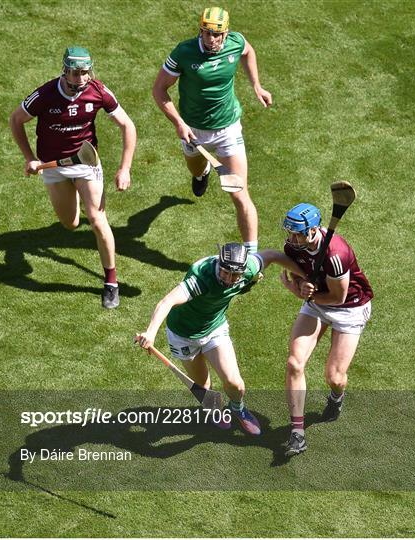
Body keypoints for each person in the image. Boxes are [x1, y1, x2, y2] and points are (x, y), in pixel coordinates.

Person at [10, 46, 137, 309]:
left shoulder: (98, 91)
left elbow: (128, 125)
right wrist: (29, 157)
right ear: (64, 71)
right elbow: (16, 119)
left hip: (86, 162)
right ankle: (73, 200)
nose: (81, 78)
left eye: (85, 72)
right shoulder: (45, 95)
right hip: (53, 166)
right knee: (70, 223)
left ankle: (111, 282)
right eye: (76, 73)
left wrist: (124, 168)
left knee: (97, 219)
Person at [136, 242, 305, 435]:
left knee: (235, 383)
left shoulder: (248, 267)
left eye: (235, 275)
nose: (230, 279)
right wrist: (150, 332)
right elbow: (167, 302)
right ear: (219, 263)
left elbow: (274, 255)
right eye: (225, 273)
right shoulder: (201, 277)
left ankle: (238, 408)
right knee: (204, 387)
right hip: (183, 336)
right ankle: (213, 408)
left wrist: (305, 277)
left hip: (214, 329)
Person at [152, 7, 272, 254]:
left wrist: (257, 86)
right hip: (193, 132)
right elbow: (159, 90)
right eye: (207, 33)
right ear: (201, 31)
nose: (212, 40)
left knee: (239, 193)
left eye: (217, 35)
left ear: (226, 33)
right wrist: (179, 123)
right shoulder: (184, 52)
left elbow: (248, 51)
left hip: (228, 129)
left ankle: (251, 256)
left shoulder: (235, 42)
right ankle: (201, 173)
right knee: (195, 169)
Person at [279, 203, 374, 456]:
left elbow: (338, 297)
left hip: (349, 307)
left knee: (334, 377)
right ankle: (297, 433)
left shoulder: (335, 252)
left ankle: (336, 396)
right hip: (318, 303)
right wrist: (300, 284)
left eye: (297, 234)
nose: (291, 239)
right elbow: (300, 274)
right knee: (294, 363)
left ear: (312, 231)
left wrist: (304, 295)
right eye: (289, 233)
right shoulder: (292, 247)